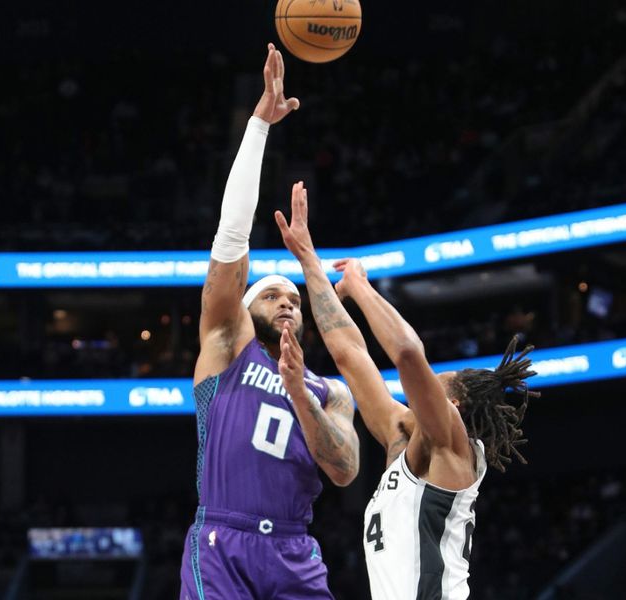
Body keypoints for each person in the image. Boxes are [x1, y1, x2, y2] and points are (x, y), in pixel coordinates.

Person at [275, 183, 539, 600]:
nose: (421, 387)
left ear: (452, 404)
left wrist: (359, 285)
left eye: (437, 382)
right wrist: (308, 258)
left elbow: (408, 353)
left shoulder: (452, 441)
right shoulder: (401, 436)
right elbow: (349, 354)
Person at [179, 46, 359, 600]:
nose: (287, 302)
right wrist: (258, 126)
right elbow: (231, 240)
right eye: (272, 294)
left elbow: (345, 470)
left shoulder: (330, 392)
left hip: (295, 550)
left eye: (295, 299)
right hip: (222, 541)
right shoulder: (227, 346)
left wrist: (298, 395)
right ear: (247, 307)